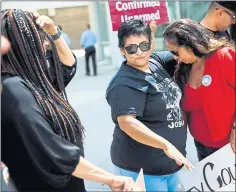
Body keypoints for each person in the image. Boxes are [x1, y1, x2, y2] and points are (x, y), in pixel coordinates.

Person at [1, 9, 134, 192]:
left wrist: (54, 31)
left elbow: (68, 65)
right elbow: (53, 150)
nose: (46, 43)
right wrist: (110, 179)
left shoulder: (33, 78)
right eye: (39, 37)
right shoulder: (12, 89)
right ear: (24, 44)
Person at [106, 19, 193, 192]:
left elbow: (185, 53)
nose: (139, 52)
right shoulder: (123, 83)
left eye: (144, 45)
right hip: (141, 170)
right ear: (122, 50)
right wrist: (166, 145)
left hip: (169, 166)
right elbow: (127, 123)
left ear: (151, 44)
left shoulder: (154, 62)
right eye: (131, 48)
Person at [163, 19, 235, 161]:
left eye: (175, 52)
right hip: (202, 147)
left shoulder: (223, 57)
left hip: (231, 145)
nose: (174, 57)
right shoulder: (184, 69)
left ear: (190, 43)